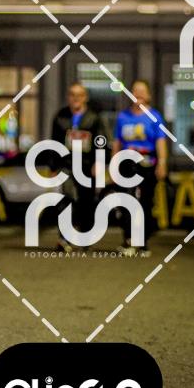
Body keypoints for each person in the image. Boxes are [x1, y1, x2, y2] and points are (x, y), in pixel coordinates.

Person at [50, 83, 108, 252]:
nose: (76, 98)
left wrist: (99, 162)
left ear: (85, 98)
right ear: (68, 97)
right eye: (72, 95)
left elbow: (101, 141)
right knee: (67, 198)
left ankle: (85, 235)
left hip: (87, 166)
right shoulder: (60, 117)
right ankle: (64, 238)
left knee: (86, 201)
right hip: (67, 165)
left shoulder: (94, 118)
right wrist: (53, 166)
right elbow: (54, 142)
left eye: (79, 95)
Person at [113, 79, 168, 257]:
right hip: (126, 163)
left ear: (149, 95)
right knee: (126, 201)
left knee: (145, 203)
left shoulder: (155, 116)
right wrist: (114, 164)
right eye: (135, 91)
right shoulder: (122, 117)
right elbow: (117, 142)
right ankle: (128, 239)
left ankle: (142, 242)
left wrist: (162, 163)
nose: (139, 94)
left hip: (147, 164)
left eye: (142, 91)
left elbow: (160, 141)